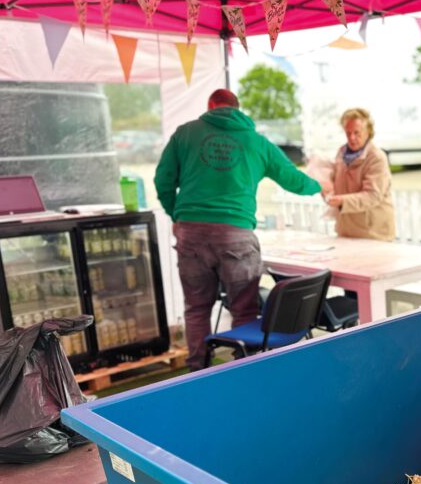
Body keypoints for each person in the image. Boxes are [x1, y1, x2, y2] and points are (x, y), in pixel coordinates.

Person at [155, 88, 323, 371]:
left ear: (211, 106)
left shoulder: (185, 134)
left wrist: (177, 215)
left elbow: (163, 180)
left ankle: (197, 370)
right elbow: (293, 180)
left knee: (196, 308)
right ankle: (243, 369)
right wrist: (320, 186)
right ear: (237, 109)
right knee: (244, 309)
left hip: (191, 233)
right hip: (236, 234)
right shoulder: (256, 142)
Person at [324, 108, 396, 241]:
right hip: (346, 232)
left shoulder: (376, 157)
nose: (352, 138)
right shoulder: (341, 152)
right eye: (348, 133)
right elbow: (336, 182)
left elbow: (373, 196)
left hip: (373, 234)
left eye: (357, 133)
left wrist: (342, 201)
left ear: (368, 131)